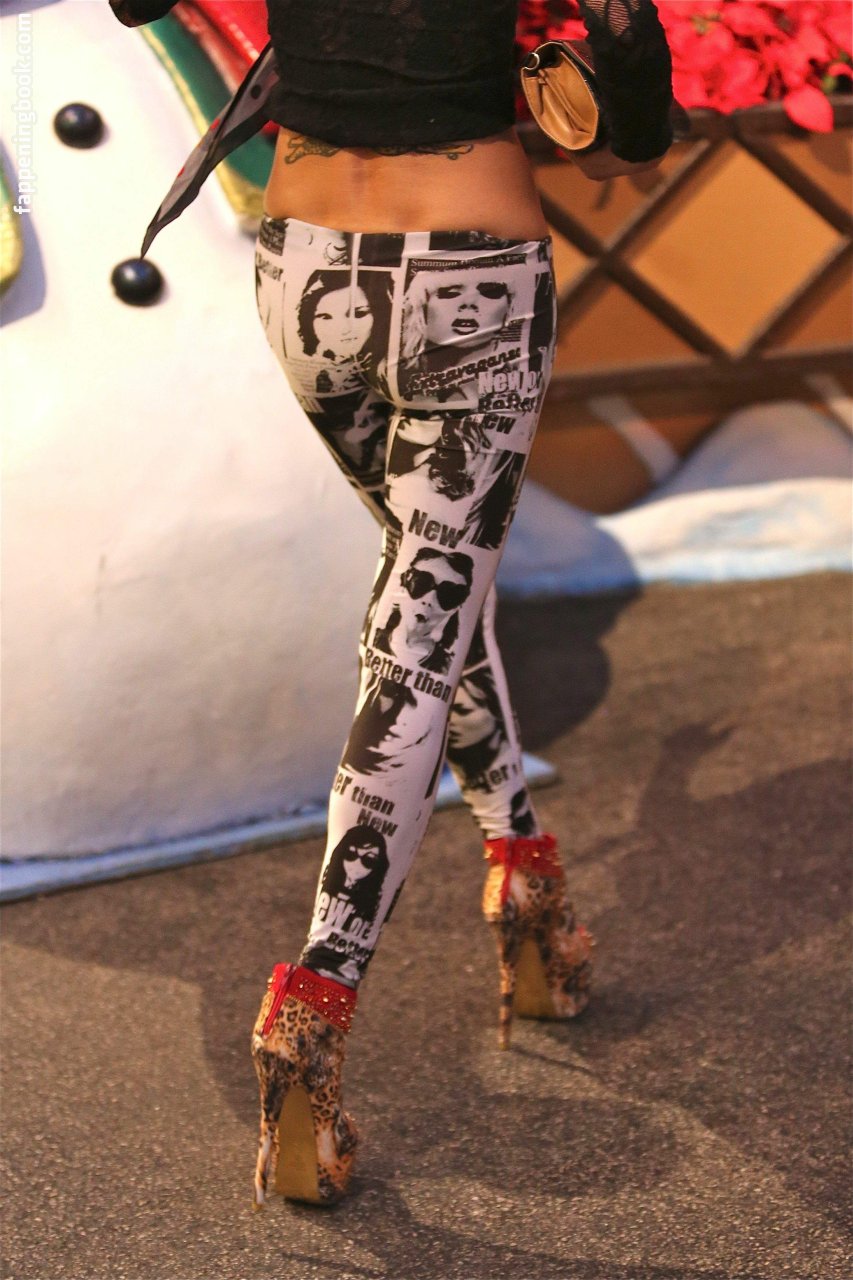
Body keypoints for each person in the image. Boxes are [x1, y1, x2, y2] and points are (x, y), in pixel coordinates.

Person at [110, 0, 677, 1209]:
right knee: (418, 629)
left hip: (307, 264)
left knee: (433, 585)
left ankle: (528, 882)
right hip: (470, 268)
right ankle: (314, 1001)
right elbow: (628, 117)